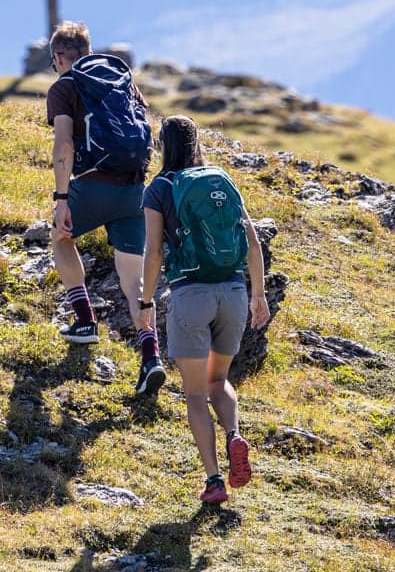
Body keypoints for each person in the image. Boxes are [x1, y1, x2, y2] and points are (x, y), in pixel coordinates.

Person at [140, 115, 270, 507]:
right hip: (232, 291)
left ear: (163, 145)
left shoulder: (160, 188)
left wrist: (145, 302)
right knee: (219, 381)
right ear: (197, 143)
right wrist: (258, 295)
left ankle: (215, 481)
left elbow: (154, 251)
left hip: (190, 294)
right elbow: (252, 242)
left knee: (195, 394)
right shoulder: (221, 180)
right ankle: (233, 434)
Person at [43, 22, 159, 390]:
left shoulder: (65, 87)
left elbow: (64, 144)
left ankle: (84, 321)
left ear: (60, 57)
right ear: (88, 51)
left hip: (92, 186)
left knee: (60, 238)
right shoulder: (123, 81)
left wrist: (62, 199)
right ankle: (150, 356)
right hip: (134, 190)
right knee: (136, 282)